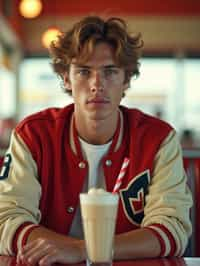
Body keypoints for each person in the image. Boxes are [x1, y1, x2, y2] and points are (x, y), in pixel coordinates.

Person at [0, 16, 192, 266]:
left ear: (126, 79)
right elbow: (6, 218)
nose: (96, 84)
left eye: (110, 71)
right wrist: (74, 250)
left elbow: (172, 228)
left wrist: (83, 250)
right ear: (66, 78)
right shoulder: (33, 135)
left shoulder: (158, 139)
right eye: (83, 71)